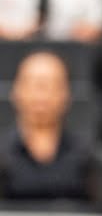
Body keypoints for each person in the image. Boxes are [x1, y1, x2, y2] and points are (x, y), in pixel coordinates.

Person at [0, 50, 96, 207]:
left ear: (66, 94)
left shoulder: (89, 161)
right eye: (32, 84)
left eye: (50, 85)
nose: (41, 95)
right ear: (15, 92)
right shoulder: (2, 155)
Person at [0, 0, 102, 42]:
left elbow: (97, 24)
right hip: (14, 49)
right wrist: (19, 34)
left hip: (67, 50)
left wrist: (61, 37)